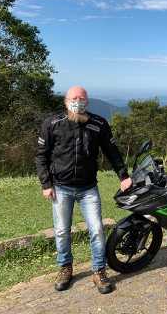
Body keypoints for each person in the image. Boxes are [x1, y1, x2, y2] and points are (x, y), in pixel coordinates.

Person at [36, 86, 132, 294]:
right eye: (73, 98)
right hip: (60, 188)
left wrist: (123, 176)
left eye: (81, 98)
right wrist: (46, 184)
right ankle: (65, 268)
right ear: (65, 101)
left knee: (96, 229)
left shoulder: (98, 124)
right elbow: (41, 156)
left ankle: (99, 270)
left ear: (87, 102)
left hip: (88, 188)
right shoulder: (52, 123)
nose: (77, 101)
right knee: (61, 231)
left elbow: (112, 151)